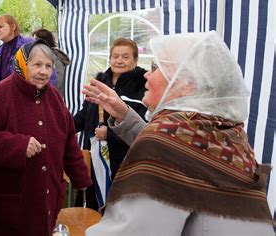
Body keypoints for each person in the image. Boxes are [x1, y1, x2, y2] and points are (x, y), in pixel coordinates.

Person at [83, 31, 273, 235]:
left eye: (158, 67)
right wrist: (124, 114)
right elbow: (177, 154)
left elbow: (134, 231)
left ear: (186, 85)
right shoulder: (222, 130)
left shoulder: (167, 139)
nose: (147, 73)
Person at [0, 39, 92, 236]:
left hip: (45, 207)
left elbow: (69, 142)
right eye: (37, 64)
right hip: (6, 212)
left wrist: (81, 178)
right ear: (22, 63)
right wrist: (18, 145)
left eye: (48, 66)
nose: (44, 71)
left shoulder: (55, 98)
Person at [73, 38, 147, 209]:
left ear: (135, 60)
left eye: (125, 57)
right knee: (91, 203)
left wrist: (111, 134)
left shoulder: (141, 88)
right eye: (115, 56)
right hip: (95, 156)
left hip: (122, 162)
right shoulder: (101, 82)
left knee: (116, 206)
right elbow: (84, 115)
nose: (119, 61)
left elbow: (143, 125)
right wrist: (63, 126)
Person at [32, 28, 70, 96]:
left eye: (35, 40)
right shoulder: (44, 55)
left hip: (50, 99)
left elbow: (56, 83)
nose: (32, 43)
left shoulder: (53, 58)